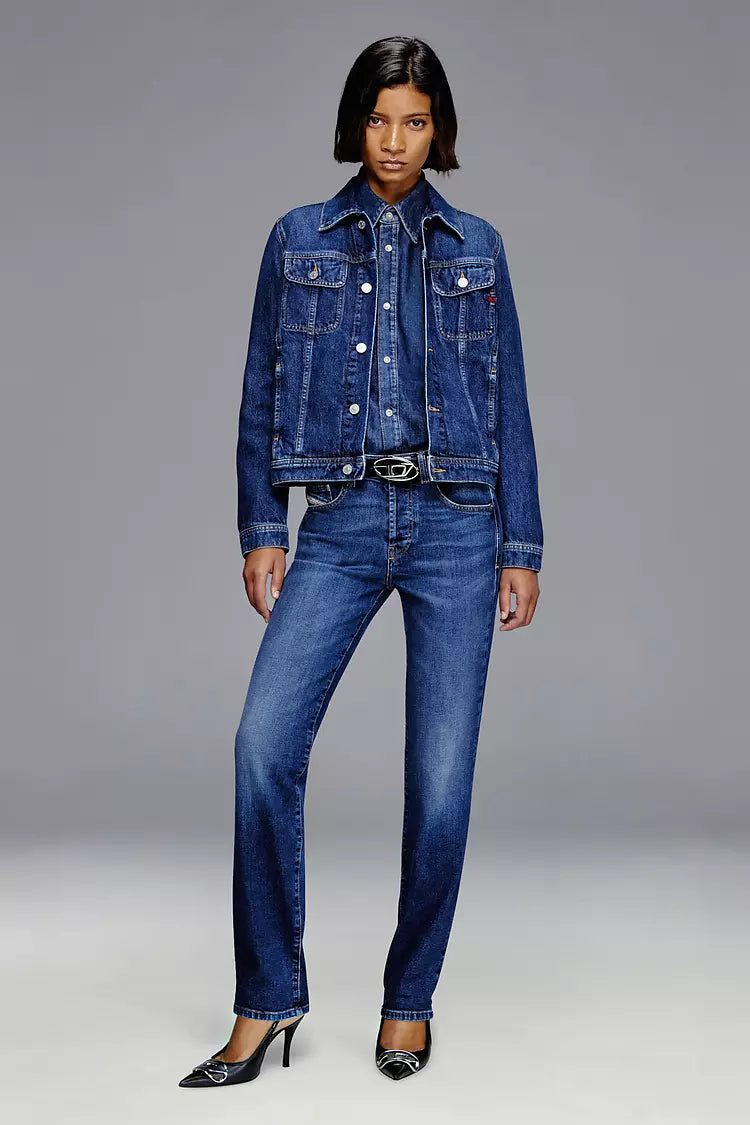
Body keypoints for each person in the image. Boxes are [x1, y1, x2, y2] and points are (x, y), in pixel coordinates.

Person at [179, 34, 542, 1089]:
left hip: (456, 524)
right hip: (337, 519)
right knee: (262, 745)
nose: (395, 141)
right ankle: (266, 1000)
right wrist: (262, 524)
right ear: (355, 125)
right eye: (380, 120)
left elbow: (511, 399)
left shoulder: (479, 245)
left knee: (440, 784)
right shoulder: (298, 238)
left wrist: (521, 543)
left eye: (415, 121)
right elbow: (261, 383)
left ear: (440, 130)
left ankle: (408, 1000)